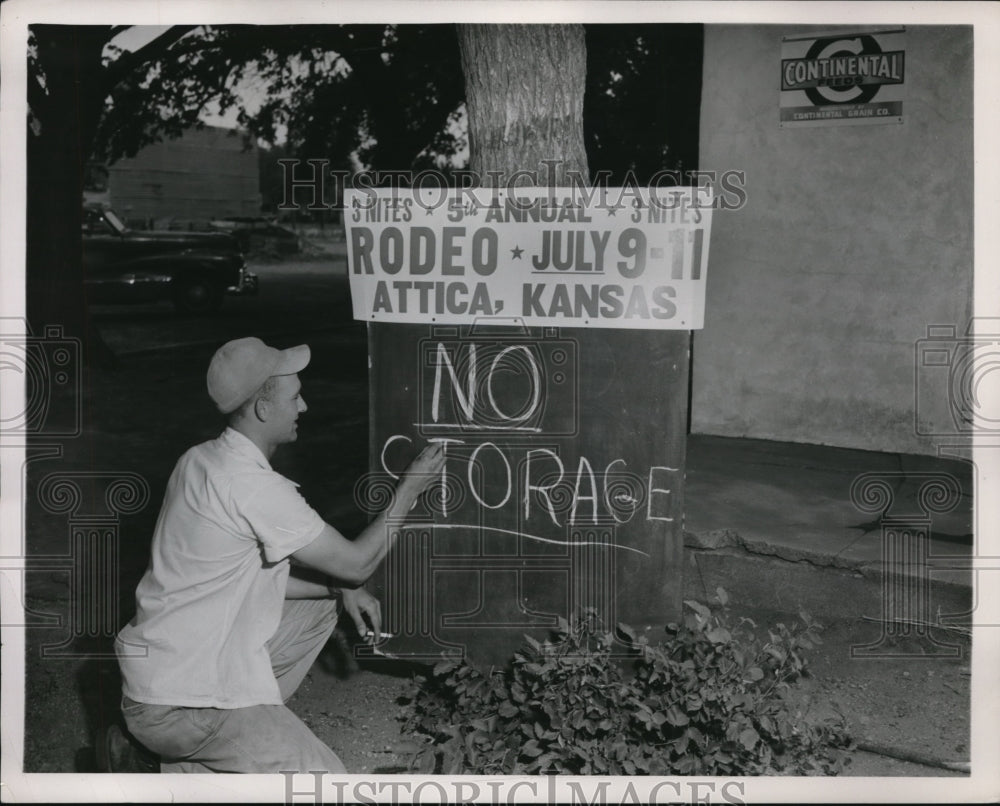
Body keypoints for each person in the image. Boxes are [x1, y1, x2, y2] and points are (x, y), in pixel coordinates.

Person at [107, 336, 444, 774]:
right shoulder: (254, 487)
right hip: (182, 704)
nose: (303, 407)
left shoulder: (197, 460)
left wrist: (340, 590)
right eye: (295, 397)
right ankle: (184, 752)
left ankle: (167, 755)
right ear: (263, 410)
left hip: (153, 678)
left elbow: (247, 575)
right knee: (326, 785)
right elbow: (358, 562)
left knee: (327, 600)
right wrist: (409, 490)